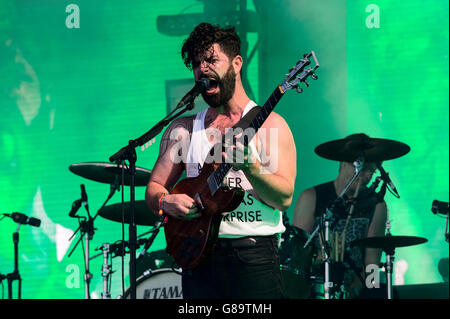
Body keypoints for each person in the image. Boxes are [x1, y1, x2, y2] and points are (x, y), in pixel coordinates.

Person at [145, 22, 297, 299]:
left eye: (211, 59)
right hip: (198, 259)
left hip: (254, 259)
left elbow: (284, 198)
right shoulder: (183, 130)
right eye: (196, 63)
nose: (202, 68)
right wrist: (166, 202)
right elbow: (154, 188)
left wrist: (251, 168)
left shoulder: (273, 125)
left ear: (237, 63)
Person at [292, 133, 388, 299]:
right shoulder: (312, 197)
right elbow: (296, 258)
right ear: (343, 162)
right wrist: (318, 259)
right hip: (316, 288)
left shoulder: (377, 205)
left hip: (358, 289)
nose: (366, 176)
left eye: (371, 171)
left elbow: (372, 264)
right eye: (362, 168)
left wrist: (357, 290)